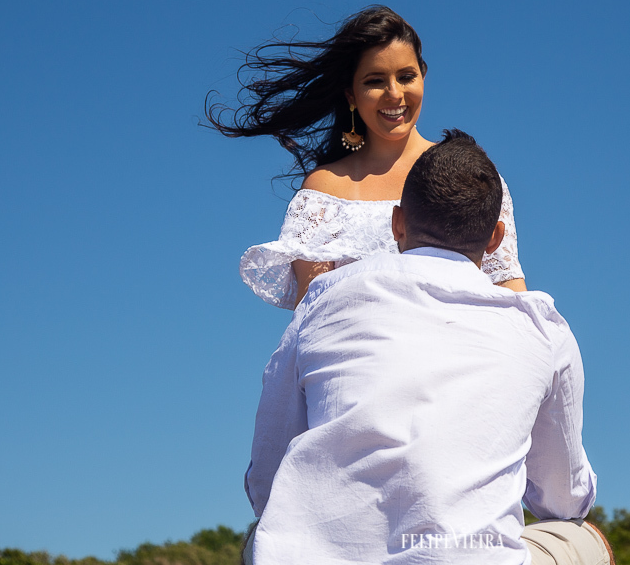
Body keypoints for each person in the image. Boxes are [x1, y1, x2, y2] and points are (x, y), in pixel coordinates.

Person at [244, 130, 610, 565]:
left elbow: (267, 475)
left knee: (265, 535)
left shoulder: (323, 301)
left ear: (397, 223)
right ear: (495, 239)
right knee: (586, 540)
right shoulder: (542, 329)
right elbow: (563, 498)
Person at [205, 6, 526, 310]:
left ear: (423, 76)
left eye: (406, 76)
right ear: (351, 95)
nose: (394, 94)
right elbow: (313, 315)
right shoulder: (325, 192)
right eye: (375, 81)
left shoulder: (470, 173)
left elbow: (510, 294)